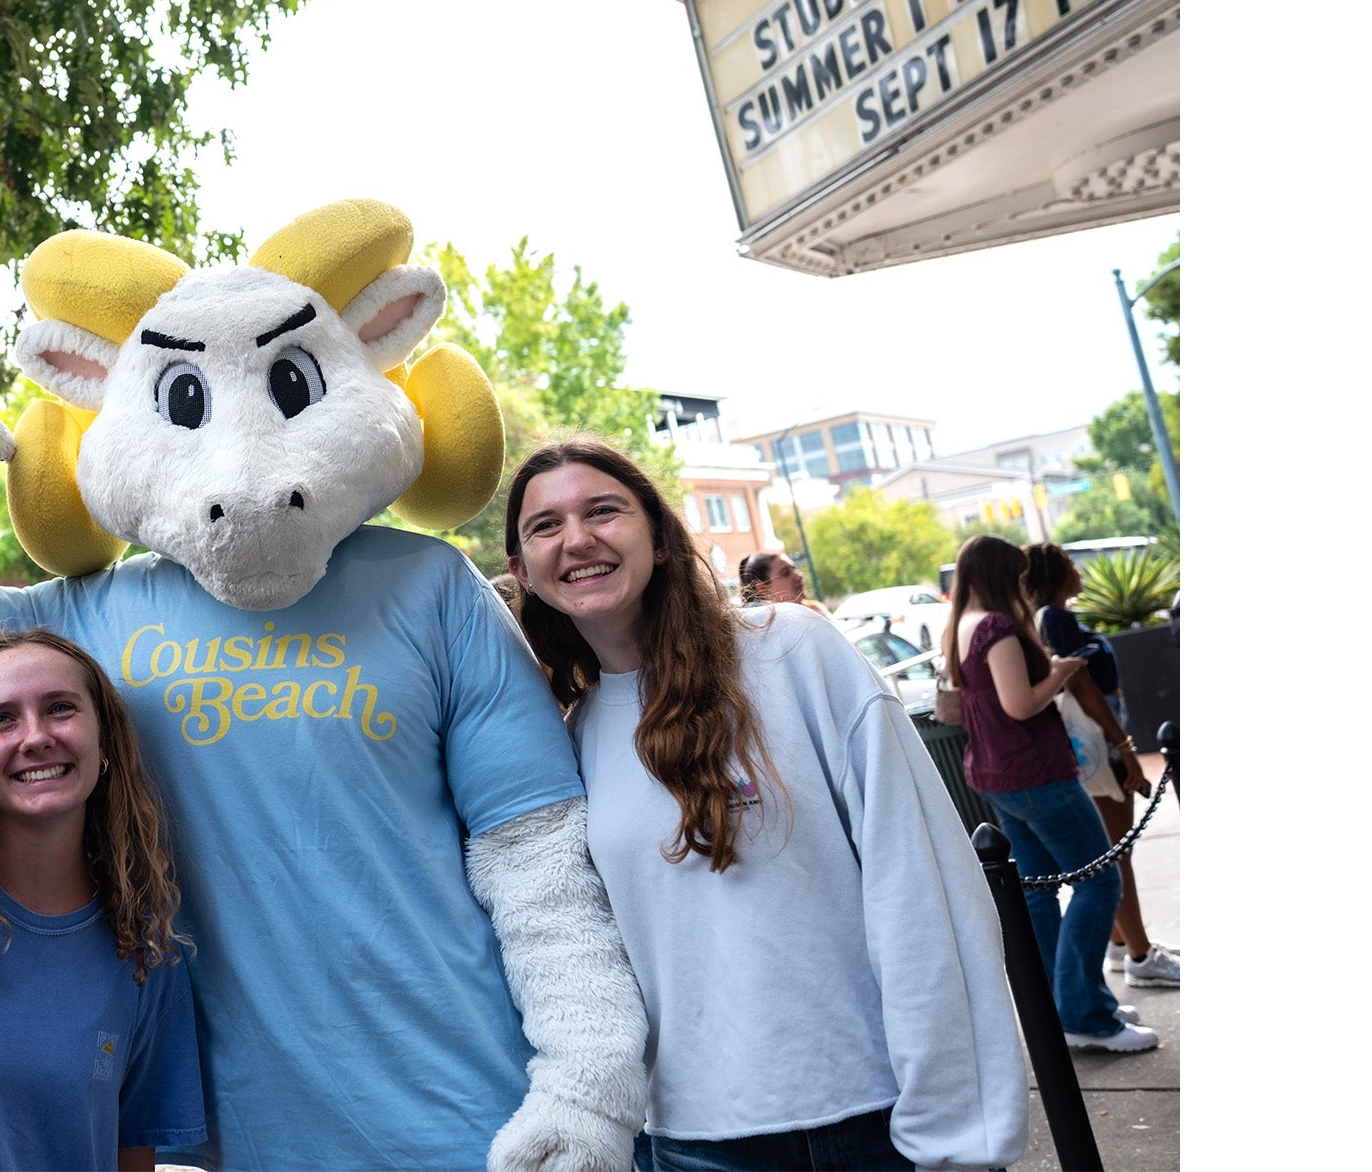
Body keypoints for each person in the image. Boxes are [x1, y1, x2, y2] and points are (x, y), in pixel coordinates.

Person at [503, 440, 1029, 1170]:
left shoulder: (792, 653)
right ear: (523, 569)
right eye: (545, 524)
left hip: (872, 1118)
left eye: (603, 510)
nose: (578, 538)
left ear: (658, 538)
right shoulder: (570, 736)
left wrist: (955, 1130)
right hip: (694, 1141)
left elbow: (920, 884)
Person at [0, 628, 206, 1171]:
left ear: (106, 739)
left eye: (60, 708)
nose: (35, 737)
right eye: (1, 718)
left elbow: (130, 1156)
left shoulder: (144, 949)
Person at [945, 534, 1160, 1053]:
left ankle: (1065, 1007)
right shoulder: (996, 626)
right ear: (1002, 575)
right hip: (1036, 773)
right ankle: (1087, 1013)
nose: (1024, 584)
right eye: (1017, 575)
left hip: (998, 776)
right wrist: (1060, 672)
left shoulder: (961, 626)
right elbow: (1020, 705)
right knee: (1098, 883)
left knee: (1040, 893)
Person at [1022, 544, 1181, 989]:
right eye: (1071, 565)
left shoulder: (1042, 620)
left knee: (1105, 854)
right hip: (1097, 745)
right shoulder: (1055, 619)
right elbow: (1083, 686)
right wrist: (1124, 747)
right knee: (1115, 854)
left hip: (1083, 746)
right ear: (1054, 574)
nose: (1079, 571)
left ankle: (1118, 944)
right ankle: (1141, 955)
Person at [735, 551, 808, 606]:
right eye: (786, 573)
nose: (799, 576)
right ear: (763, 589)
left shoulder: (814, 610)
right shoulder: (766, 625)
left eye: (794, 569)